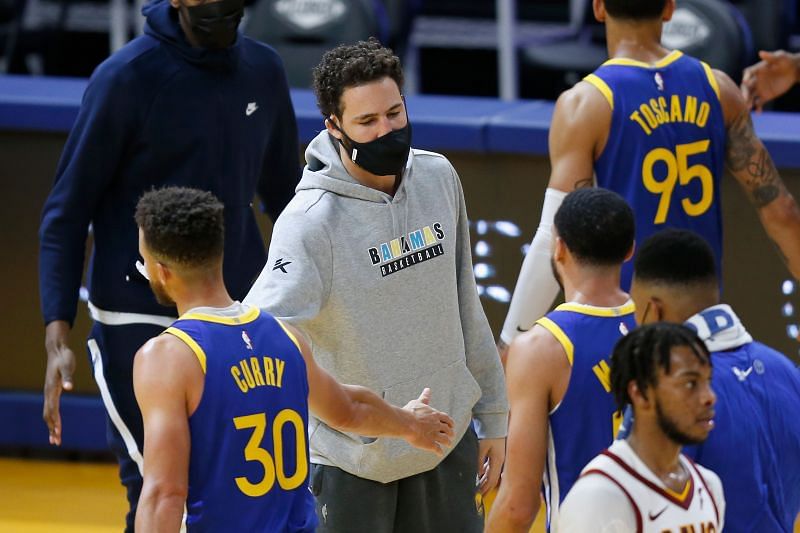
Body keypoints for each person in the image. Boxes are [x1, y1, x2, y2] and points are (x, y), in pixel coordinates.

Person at [38, 0, 300, 528]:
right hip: (138, 315)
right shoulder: (125, 79)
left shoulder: (264, 69)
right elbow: (66, 213)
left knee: (233, 496)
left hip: (234, 314)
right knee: (159, 492)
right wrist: (56, 334)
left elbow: (289, 201)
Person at [244, 39, 508, 532]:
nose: (386, 130)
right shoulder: (309, 223)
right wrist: (341, 418)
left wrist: (494, 416)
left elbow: (465, 303)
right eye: (367, 122)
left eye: (394, 113)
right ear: (334, 127)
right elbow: (267, 335)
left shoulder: (439, 177)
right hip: (351, 467)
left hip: (447, 446)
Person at [132, 187, 455, 531]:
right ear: (218, 254)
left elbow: (165, 493)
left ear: (161, 271)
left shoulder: (167, 357)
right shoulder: (285, 337)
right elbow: (349, 408)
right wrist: (410, 423)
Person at [498, 0, 800, 360]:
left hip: (627, 327)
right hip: (703, 324)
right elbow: (781, 211)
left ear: (598, 8)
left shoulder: (586, 102)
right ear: (670, 8)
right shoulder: (719, 88)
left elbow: (555, 235)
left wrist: (511, 342)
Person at [626, 228, 800, 532]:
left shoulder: (666, 392)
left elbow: (638, 508)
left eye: (635, 310)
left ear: (653, 311)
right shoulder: (788, 372)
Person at [486, 188, 637, 533]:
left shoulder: (541, 348)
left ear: (559, 248)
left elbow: (518, 505)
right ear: (629, 251)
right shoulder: (659, 327)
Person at [558, 323, 725, 533]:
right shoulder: (599, 495)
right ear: (640, 393)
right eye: (690, 383)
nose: (709, 397)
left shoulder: (709, 485)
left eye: (707, 381)